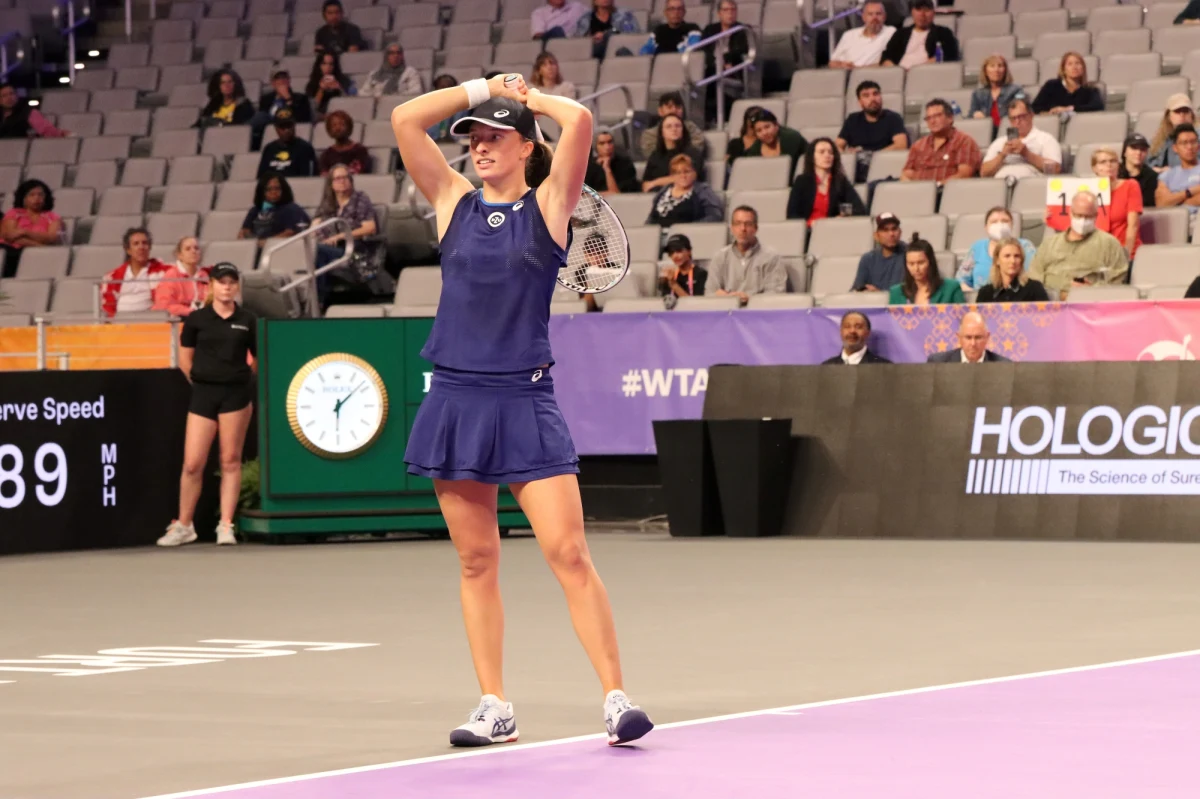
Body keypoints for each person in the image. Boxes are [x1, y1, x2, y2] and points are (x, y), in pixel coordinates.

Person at [390, 70, 653, 747]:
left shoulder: (551, 207)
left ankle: (616, 697)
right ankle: (494, 703)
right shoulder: (452, 201)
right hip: (455, 398)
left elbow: (583, 126)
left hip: (524, 399)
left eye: (494, 137)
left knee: (567, 551)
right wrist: (480, 90)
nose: (479, 145)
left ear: (525, 146)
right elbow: (403, 122)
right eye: (474, 138)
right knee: (477, 562)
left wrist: (531, 101)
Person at [158, 263, 257, 548]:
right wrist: (200, 383)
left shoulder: (248, 319)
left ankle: (225, 525)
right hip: (203, 394)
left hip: (235, 396)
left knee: (230, 460)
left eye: (231, 282)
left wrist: (239, 380)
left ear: (237, 286)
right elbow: (184, 358)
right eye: (221, 282)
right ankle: (184, 525)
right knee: (192, 463)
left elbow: (258, 359)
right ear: (210, 285)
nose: (226, 287)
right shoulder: (197, 319)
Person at [1029, 190, 1129, 299]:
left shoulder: (1109, 243)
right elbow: (1034, 278)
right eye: (1079, 215)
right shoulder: (1049, 244)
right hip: (1051, 306)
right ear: (1071, 213)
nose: (1083, 221)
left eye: (1088, 217)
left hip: (1091, 306)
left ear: (1096, 215)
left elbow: (1118, 282)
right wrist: (1057, 295)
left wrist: (1091, 291)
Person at [1046, 147, 1141, 258]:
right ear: (1094, 168)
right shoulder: (1087, 192)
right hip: (1096, 254)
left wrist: (1126, 254)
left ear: (1118, 165)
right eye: (1103, 162)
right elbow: (1075, 224)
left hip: (1124, 251)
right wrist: (1052, 218)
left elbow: (1133, 225)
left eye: (1113, 161)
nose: (1108, 165)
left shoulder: (1130, 186)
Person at [312, 164, 382, 308]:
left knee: (318, 252)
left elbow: (370, 228)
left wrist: (341, 236)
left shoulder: (360, 198)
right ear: (330, 184)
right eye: (337, 178)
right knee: (313, 250)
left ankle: (318, 300)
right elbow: (313, 227)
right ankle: (313, 300)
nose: (342, 181)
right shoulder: (328, 203)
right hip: (328, 249)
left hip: (353, 251)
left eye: (345, 177)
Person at [707, 206, 786, 304]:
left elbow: (775, 294)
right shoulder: (720, 257)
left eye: (748, 224)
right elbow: (709, 293)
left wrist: (749, 299)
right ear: (732, 228)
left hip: (758, 314)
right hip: (727, 313)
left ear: (755, 228)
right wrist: (728, 299)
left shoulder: (771, 257)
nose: (743, 229)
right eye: (737, 223)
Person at [786, 137, 866, 224]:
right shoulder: (801, 181)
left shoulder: (840, 181)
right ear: (812, 157)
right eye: (821, 152)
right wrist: (809, 224)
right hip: (807, 232)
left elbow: (860, 210)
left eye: (830, 152)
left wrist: (839, 218)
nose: (827, 155)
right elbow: (792, 215)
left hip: (831, 230)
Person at [955, 206, 1036, 291]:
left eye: (1005, 221)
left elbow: (1034, 275)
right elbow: (961, 280)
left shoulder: (1025, 246)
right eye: (994, 222)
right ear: (986, 227)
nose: (1000, 225)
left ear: (1012, 225)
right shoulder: (977, 247)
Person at [980, 97, 1062, 180]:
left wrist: (1026, 153)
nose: (1017, 121)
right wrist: (1002, 155)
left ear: (1031, 115)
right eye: (1013, 118)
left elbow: (1055, 170)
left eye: (1021, 117)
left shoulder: (1045, 139)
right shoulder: (999, 142)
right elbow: (984, 173)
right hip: (999, 187)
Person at [101, 228, 176, 317]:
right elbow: (108, 308)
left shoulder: (164, 272)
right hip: (120, 325)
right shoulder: (112, 277)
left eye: (144, 243)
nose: (141, 247)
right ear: (128, 250)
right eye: (136, 244)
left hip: (152, 323)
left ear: (150, 247)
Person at [902, 99, 980, 183]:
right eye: (928, 118)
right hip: (919, 193)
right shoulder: (918, 145)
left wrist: (936, 187)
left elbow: (964, 175)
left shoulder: (964, 141)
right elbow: (906, 173)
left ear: (950, 118)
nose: (932, 121)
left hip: (949, 193)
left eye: (937, 116)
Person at [700, 0, 751, 125]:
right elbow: (702, 51)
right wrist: (721, 63)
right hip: (713, 69)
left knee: (710, 79)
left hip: (734, 72)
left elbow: (740, 51)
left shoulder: (742, 29)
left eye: (733, 10)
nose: (730, 13)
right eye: (726, 10)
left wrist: (725, 59)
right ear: (719, 13)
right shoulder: (710, 30)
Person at [0, 179, 62, 277]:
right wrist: (38, 245)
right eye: (32, 195)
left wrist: (24, 232)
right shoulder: (14, 213)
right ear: (24, 198)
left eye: (40, 195)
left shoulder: (53, 217)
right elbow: (9, 236)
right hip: (10, 251)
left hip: (36, 254)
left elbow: (51, 237)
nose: (37, 198)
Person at [645, 154, 724, 226]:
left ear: (694, 173)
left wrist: (689, 228)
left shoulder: (703, 191)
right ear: (672, 176)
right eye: (678, 172)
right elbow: (651, 218)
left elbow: (715, 216)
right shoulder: (664, 191)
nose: (683, 176)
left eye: (687, 171)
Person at [888, 234, 964, 305]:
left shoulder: (951, 288)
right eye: (911, 264)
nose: (916, 268)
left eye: (921, 263)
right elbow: (890, 318)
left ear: (930, 262)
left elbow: (963, 316)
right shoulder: (896, 292)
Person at [836, 81, 907, 156]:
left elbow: (901, 145)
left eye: (875, 94)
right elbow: (837, 146)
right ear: (860, 102)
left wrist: (871, 156)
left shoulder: (893, 118)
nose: (872, 99)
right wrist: (847, 154)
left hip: (883, 163)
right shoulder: (852, 119)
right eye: (866, 96)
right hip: (857, 164)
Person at [880, 0, 959, 69]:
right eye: (918, 9)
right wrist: (895, 70)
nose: (922, 14)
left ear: (933, 13)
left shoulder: (943, 32)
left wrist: (916, 70)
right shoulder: (901, 34)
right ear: (912, 12)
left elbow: (950, 55)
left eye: (927, 10)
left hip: (926, 74)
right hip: (899, 75)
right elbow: (886, 57)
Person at [238, 175, 311, 246]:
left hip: (280, 249)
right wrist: (253, 243)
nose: (273, 192)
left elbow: (290, 233)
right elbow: (244, 231)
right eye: (268, 189)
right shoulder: (255, 209)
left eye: (277, 188)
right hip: (255, 248)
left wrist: (266, 243)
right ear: (261, 191)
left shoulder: (292, 209)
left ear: (284, 189)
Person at [974, 238, 1049, 303]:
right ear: (997, 260)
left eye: (1017, 256)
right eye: (1007, 256)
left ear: (1022, 260)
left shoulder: (1034, 288)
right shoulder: (985, 293)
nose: (1013, 261)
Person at [641, 114, 706, 190]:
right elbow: (645, 185)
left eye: (678, 126)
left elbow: (687, 178)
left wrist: (655, 182)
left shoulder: (693, 153)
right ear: (662, 132)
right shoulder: (655, 155)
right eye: (669, 126)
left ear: (683, 130)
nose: (674, 129)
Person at [152, 236, 212, 316]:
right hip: (174, 322)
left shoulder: (204, 275)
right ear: (179, 255)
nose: (193, 251)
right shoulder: (171, 276)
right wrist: (192, 312)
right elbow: (164, 306)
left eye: (196, 248)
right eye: (188, 249)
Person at [1031, 52, 1104, 116]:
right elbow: (1035, 108)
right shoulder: (1051, 85)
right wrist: (1049, 114)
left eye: (1078, 63)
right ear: (1063, 69)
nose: (1074, 67)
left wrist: (1069, 109)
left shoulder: (1091, 89)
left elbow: (1097, 107)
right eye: (1070, 64)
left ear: (1083, 68)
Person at [1154, 123, 1200, 221]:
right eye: (1184, 143)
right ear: (1175, 148)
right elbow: (1162, 203)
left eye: (1193, 142)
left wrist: (1176, 200)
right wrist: (1190, 191)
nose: (1189, 147)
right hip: (1175, 223)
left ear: (1198, 146)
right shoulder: (1167, 176)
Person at [829, 1, 895, 69]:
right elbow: (832, 63)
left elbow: (890, 63)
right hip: (847, 74)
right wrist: (842, 65)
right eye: (870, 14)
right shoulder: (849, 35)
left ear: (884, 17)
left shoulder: (892, 33)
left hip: (874, 75)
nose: (874, 17)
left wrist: (858, 69)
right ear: (863, 17)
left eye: (878, 14)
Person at [639, 92, 706, 157]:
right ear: (660, 111)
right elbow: (651, 154)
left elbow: (697, 148)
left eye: (678, 107)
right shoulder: (649, 134)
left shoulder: (691, 127)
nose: (674, 110)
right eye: (669, 107)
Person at [969, 55, 1025, 134]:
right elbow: (970, 116)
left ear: (1005, 70)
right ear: (985, 71)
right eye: (992, 66)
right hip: (985, 133)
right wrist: (976, 115)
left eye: (1000, 66)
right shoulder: (978, 93)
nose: (996, 70)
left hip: (1011, 131)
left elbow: (1021, 111)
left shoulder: (1016, 90)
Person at [852, 212, 906, 291]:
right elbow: (856, 290)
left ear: (900, 232)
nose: (891, 234)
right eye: (885, 230)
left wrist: (879, 294)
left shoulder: (910, 255)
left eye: (894, 229)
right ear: (876, 236)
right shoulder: (867, 259)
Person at [926, 312, 1011, 363]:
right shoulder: (938, 363)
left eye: (978, 337)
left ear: (987, 337)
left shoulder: (1003, 365)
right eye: (968, 337)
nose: (973, 343)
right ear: (959, 337)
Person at [257, 110, 318, 179]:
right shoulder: (269, 149)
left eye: (289, 126)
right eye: (282, 127)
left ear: (294, 125)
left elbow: (309, 180)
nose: (286, 130)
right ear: (276, 128)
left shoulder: (305, 149)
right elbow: (261, 179)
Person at [744, 110, 807, 177]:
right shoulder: (754, 151)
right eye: (759, 130)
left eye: (767, 127)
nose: (764, 133)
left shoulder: (791, 138)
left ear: (776, 125)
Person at [0, 82, 69, 138]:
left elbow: (46, 130)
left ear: (17, 96)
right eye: (4, 96)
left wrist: (61, 133)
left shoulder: (29, 113)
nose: (9, 98)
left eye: (11, 94)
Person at [822, 311, 892, 364]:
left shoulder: (883, 366)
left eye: (858, 327)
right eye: (847, 326)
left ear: (867, 333)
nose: (852, 331)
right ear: (841, 332)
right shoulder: (826, 367)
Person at [1148, 95, 1195, 171]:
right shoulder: (1157, 142)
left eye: (1185, 111)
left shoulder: (1198, 138)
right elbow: (1147, 166)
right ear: (1168, 116)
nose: (1182, 115)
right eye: (1177, 111)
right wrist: (1160, 170)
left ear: (1191, 115)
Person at [584, 130, 639, 195]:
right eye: (602, 143)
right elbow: (583, 195)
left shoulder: (625, 164)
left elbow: (615, 194)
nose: (607, 147)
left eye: (610, 142)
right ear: (596, 146)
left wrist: (607, 169)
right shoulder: (589, 166)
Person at [318, 110, 371, 175]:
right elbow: (324, 175)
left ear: (349, 127)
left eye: (341, 124)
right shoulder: (326, 155)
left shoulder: (360, 150)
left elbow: (359, 173)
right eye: (334, 125)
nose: (338, 128)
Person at [306, 51, 355, 119]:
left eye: (331, 64)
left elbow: (351, 103)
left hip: (341, 115)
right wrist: (321, 90)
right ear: (319, 66)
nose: (328, 67)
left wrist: (339, 89)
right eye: (324, 64)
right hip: (321, 117)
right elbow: (312, 109)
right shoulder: (312, 83)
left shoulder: (343, 80)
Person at [658, 233, 707, 298]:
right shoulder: (669, 276)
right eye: (671, 252)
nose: (675, 256)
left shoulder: (701, 274)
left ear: (689, 251)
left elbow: (696, 305)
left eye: (679, 251)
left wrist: (674, 285)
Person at [1121, 133, 1157, 209]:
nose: (1138, 153)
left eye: (1142, 149)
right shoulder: (1115, 173)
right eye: (1134, 148)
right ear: (1124, 152)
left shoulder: (1152, 177)